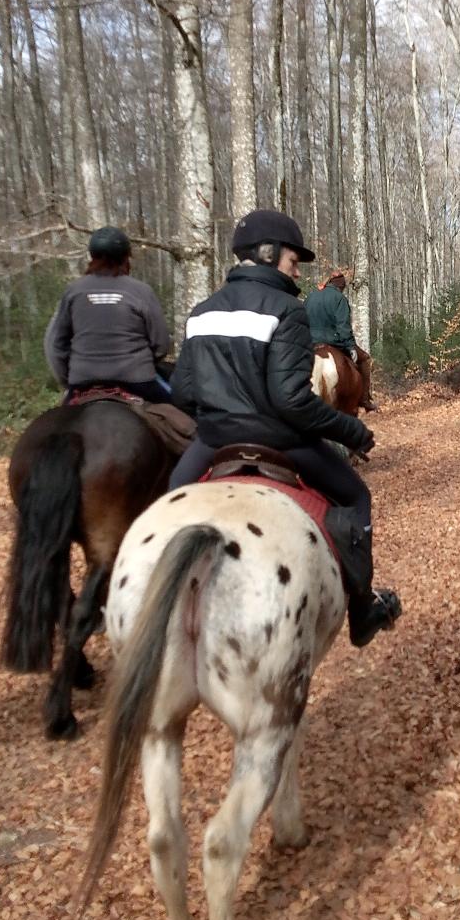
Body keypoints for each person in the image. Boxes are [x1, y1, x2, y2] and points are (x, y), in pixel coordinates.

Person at [170, 209, 401, 648]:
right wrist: (352, 432)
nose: (298, 271)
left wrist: (221, 415)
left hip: (213, 442)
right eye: (294, 261)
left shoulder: (200, 313)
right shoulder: (286, 310)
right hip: (280, 441)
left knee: (171, 493)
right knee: (356, 496)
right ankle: (362, 609)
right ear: (268, 253)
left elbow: (183, 393)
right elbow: (291, 401)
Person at [44, 226, 173, 404]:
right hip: (137, 380)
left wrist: (68, 380)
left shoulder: (73, 291)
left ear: (92, 256)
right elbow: (161, 344)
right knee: (181, 415)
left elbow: (55, 344)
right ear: (126, 258)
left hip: (83, 382)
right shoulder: (141, 291)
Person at [305, 267, 377, 411]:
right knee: (365, 360)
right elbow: (343, 326)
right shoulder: (339, 298)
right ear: (341, 286)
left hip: (309, 344)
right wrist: (350, 346)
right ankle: (364, 399)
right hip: (334, 343)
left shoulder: (310, 297)